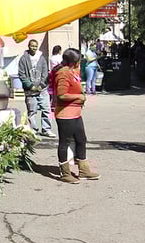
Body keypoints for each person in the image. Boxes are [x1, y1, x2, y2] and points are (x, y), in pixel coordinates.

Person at [52, 48, 99, 183]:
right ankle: (65, 172)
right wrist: (79, 97)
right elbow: (61, 94)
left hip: (76, 113)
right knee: (64, 142)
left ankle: (83, 170)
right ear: (74, 61)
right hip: (65, 114)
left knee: (81, 140)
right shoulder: (63, 74)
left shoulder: (72, 72)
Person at [18, 39, 53, 137]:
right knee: (32, 111)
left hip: (42, 89)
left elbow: (45, 73)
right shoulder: (23, 59)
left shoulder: (41, 58)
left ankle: (46, 129)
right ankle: (34, 129)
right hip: (30, 90)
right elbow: (22, 74)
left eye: (35, 46)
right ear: (28, 46)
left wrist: (41, 85)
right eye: (32, 46)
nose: (34, 48)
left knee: (46, 109)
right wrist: (30, 86)